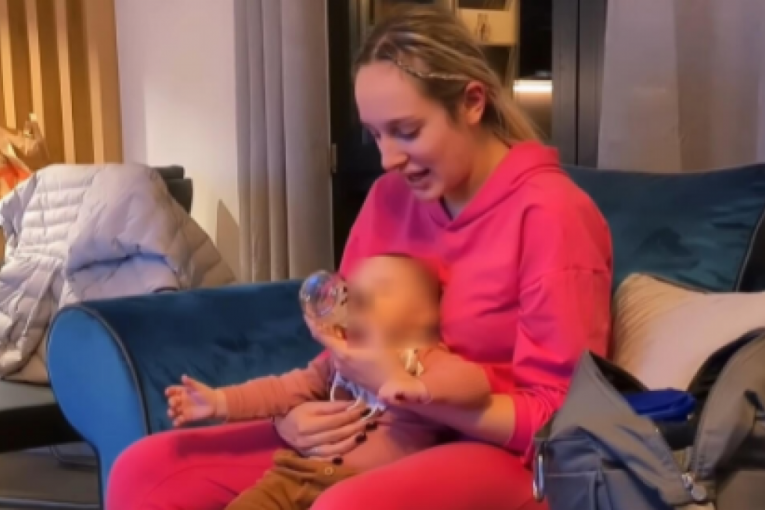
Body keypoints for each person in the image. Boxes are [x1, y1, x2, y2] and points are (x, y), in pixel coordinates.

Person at [106, 5, 612, 510]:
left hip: (505, 453)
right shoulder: (388, 200)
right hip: (372, 429)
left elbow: (560, 419)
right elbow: (345, 346)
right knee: (146, 471)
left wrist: (406, 390)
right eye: (375, 134)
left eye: (407, 131)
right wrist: (290, 417)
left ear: (472, 102)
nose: (388, 159)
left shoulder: (552, 214)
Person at [164, 254, 491, 510]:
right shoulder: (342, 360)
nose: (358, 296)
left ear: (425, 314)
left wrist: (418, 388)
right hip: (297, 474)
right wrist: (219, 402)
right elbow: (282, 389)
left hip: (366, 490)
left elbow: (475, 383)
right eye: (354, 290)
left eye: (381, 288)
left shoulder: (424, 360)